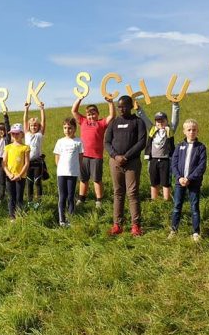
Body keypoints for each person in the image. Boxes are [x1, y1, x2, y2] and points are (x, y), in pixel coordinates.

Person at [104, 95, 147, 236]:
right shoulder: (114, 122)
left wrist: (127, 156)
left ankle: (136, 226)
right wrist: (116, 156)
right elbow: (107, 142)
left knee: (132, 193)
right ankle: (117, 225)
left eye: (124, 106)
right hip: (115, 162)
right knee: (118, 192)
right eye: (119, 106)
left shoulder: (138, 122)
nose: (121, 109)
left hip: (132, 162)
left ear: (130, 106)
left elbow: (142, 142)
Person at [71, 96, 115, 209]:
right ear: (86, 115)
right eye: (89, 114)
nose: (91, 116)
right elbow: (74, 111)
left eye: (93, 114)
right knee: (83, 179)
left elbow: (112, 116)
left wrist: (110, 103)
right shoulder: (83, 121)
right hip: (83, 156)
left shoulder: (101, 123)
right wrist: (79, 99)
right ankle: (81, 199)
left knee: (96, 179)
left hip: (96, 157)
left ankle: (99, 200)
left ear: (98, 114)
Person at [169, 119, 207, 241]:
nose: (191, 132)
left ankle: (196, 232)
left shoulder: (201, 147)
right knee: (177, 206)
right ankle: (173, 230)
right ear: (184, 131)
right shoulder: (179, 146)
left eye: (194, 130)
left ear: (197, 131)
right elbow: (173, 164)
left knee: (194, 207)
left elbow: (202, 166)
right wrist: (179, 177)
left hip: (194, 182)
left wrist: (190, 178)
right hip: (179, 182)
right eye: (189, 130)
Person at [136, 102, 180, 201]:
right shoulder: (152, 129)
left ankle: (166, 200)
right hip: (153, 160)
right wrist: (139, 109)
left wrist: (175, 105)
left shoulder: (170, 129)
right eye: (157, 121)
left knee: (165, 182)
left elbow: (175, 119)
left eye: (162, 120)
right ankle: (154, 200)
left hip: (165, 160)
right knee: (153, 181)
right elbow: (145, 119)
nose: (160, 123)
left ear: (166, 121)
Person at [53, 118, 84, 227]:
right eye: (65, 128)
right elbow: (57, 157)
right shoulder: (60, 141)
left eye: (70, 128)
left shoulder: (79, 141)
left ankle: (70, 219)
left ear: (75, 128)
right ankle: (62, 220)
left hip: (73, 173)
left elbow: (80, 158)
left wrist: (77, 169)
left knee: (71, 196)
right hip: (61, 173)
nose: (67, 130)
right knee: (62, 196)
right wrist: (61, 168)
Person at [3, 123, 30, 221]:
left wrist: (19, 175)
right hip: (9, 176)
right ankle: (12, 216)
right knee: (11, 197)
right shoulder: (8, 147)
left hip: (20, 177)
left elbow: (26, 163)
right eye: (13, 134)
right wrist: (9, 174)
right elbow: (4, 163)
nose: (15, 135)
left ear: (22, 134)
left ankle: (19, 215)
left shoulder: (25, 148)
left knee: (19, 197)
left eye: (17, 133)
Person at [23, 101, 46, 207]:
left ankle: (39, 201)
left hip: (37, 162)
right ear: (29, 126)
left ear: (38, 126)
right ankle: (30, 201)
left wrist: (42, 109)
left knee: (37, 182)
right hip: (28, 162)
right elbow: (24, 121)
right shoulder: (26, 134)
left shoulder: (39, 135)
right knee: (29, 183)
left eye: (35, 125)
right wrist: (26, 109)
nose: (33, 127)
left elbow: (43, 122)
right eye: (31, 125)